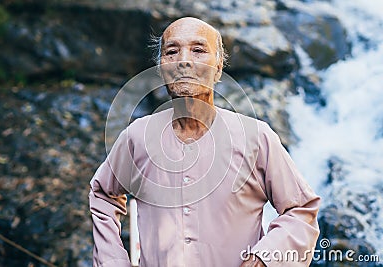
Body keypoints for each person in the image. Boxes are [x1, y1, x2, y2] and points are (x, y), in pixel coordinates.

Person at [89, 17, 320, 267]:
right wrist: (113, 260)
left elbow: (301, 210)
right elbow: (103, 194)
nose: (184, 60)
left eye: (198, 50)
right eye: (172, 51)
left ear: (218, 68)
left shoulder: (256, 137)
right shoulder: (138, 137)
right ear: (161, 67)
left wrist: (264, 259)